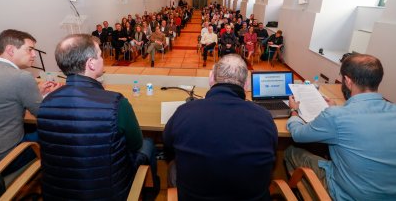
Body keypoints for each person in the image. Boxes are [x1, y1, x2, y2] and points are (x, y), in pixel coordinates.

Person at [37, 34, 159, 200]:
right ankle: (151, 191)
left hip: (57, 193)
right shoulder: (117, 103)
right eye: (100, 55)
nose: (103, 58)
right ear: (91, 63)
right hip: (109, 192)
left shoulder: (46, 102)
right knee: (148, 143)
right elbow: (135, 144)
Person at [164, 54, 278, 200]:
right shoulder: (265, 117)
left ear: (211, 79)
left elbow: (167, 142)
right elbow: (272, 150)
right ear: (246, 85)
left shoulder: (185, 111)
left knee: (173, 166)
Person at [285, 54, 396, 200]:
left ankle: (303, 193)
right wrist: (336, 110)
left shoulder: (336, 116)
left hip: (345, 195)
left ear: (348, 81)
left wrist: (294, 111)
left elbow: (298, 134)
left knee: (291, 151)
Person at [0, 29, 59, 170]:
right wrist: (54, 96)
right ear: (10, 50)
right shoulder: (21, 77)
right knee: (57, 129)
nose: (34, 54)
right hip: (1, 161)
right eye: (30, 50)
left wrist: (36, 92)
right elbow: (44, 116)